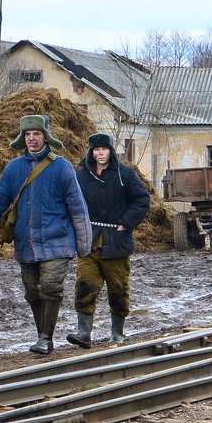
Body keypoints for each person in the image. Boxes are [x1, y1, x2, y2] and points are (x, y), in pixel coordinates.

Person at [0, 115, 92, 355]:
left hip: (58, 241)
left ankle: (45, 338)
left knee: (50, 287)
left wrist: (84, 245)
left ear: (45, 137)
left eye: (36, 134)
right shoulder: (14, 168)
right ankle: (43, 333)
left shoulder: (62, 167)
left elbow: (78, 208)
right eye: (28, 135)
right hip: (26, 243)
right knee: (32, 292)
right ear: (23, 138)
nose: (32, 139)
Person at [65, 132, 151, 348]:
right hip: (89, 241)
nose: (100, 153)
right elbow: (70, 201)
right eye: (96, 150)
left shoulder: (125, 174)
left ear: (111, 151)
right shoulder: (81, 175)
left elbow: (141, 200)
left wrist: (126, 223)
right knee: (85, 285)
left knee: (118, 288)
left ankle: (117, 334)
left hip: (117, 241)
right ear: (91, 152)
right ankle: (83, 333)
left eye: (104, 149)